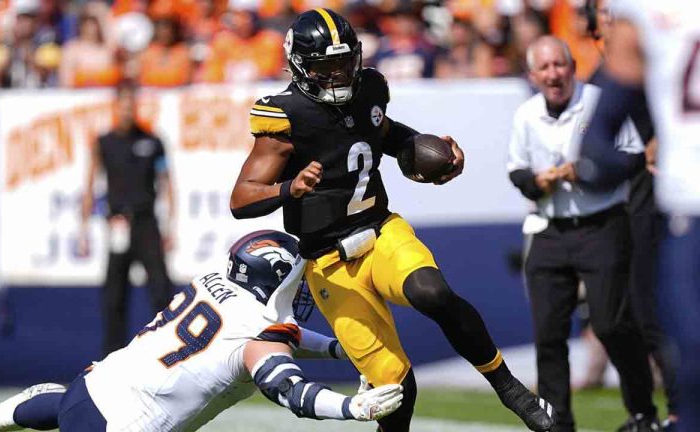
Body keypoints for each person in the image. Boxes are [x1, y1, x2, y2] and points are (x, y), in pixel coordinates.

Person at [230, 8, 555, 432]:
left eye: (344, 64)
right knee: (396, 389)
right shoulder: (285, 116)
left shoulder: (369, 88)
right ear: (301, 67)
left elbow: (382, 132)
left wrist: (426, 151)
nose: (338, 77)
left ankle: (509, 387)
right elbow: (242, 198)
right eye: (326, 69)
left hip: (380, 230)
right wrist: (289, 189)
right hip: (328, 262)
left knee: (431, 291)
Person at [0, 230, 404, 431]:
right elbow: (290, 392)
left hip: (93, 384)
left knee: (66, 412)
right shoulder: (258, 336)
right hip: (123, 427)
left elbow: (280, 337)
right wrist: (353, 408)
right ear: (271, 280)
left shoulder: (213, 282)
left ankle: (16, 412)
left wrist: (340, 351)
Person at [507, 36, 658, 432]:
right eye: (545, 68)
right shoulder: (526, 114)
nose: (554, 74)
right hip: (549, 228)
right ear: (532, 75)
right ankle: (558, 422)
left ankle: (642, 412)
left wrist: (590, 171)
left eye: (560, 65)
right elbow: (517, 171)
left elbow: (635, 156)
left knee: (611, 325)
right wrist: (538, 181)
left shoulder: (596, 101)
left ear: (573, 66)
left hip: (601, 224)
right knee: (548, 333)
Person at [578, 1, 700, 431]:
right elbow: (598, 139)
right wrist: (622, 161)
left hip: (683, 212)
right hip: (687, 210)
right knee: (689, 362)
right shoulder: (647, 14)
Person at [80, 80, 175, 356]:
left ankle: (166, 351)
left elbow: (168, 183)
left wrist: (171, 225)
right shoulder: (104, 142)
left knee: (160, 290)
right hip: (118, 223)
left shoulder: (152, 141)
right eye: (122, 105)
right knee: (114, 295)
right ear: (115, 107)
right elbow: (90, 184)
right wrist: (83, 229)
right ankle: (112, 356)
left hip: (146, 223)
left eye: (131, 105)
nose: (126, 111)